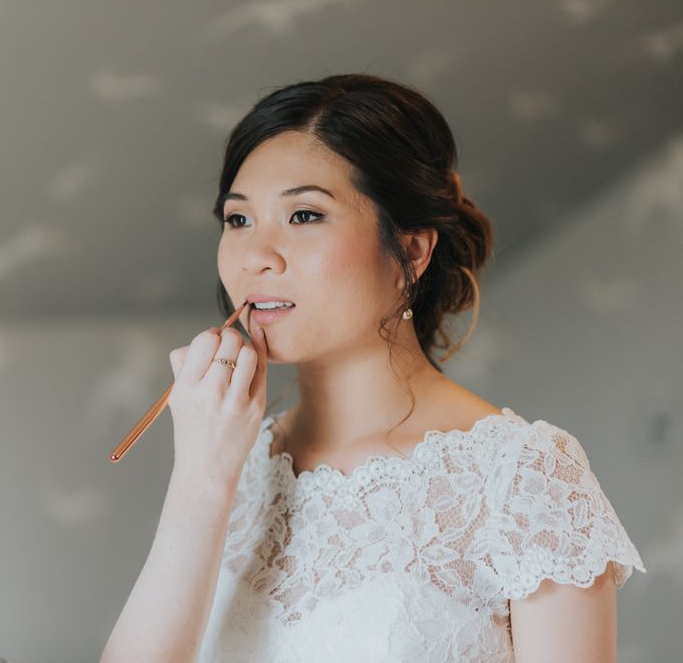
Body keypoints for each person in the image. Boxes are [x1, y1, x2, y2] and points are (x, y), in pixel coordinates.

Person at [101, 74, 646, 662]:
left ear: (411, 248)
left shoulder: (523, 480)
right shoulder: (228, 467)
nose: (255, 256)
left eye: (305, 215)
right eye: (238, 220)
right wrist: (201, 477)